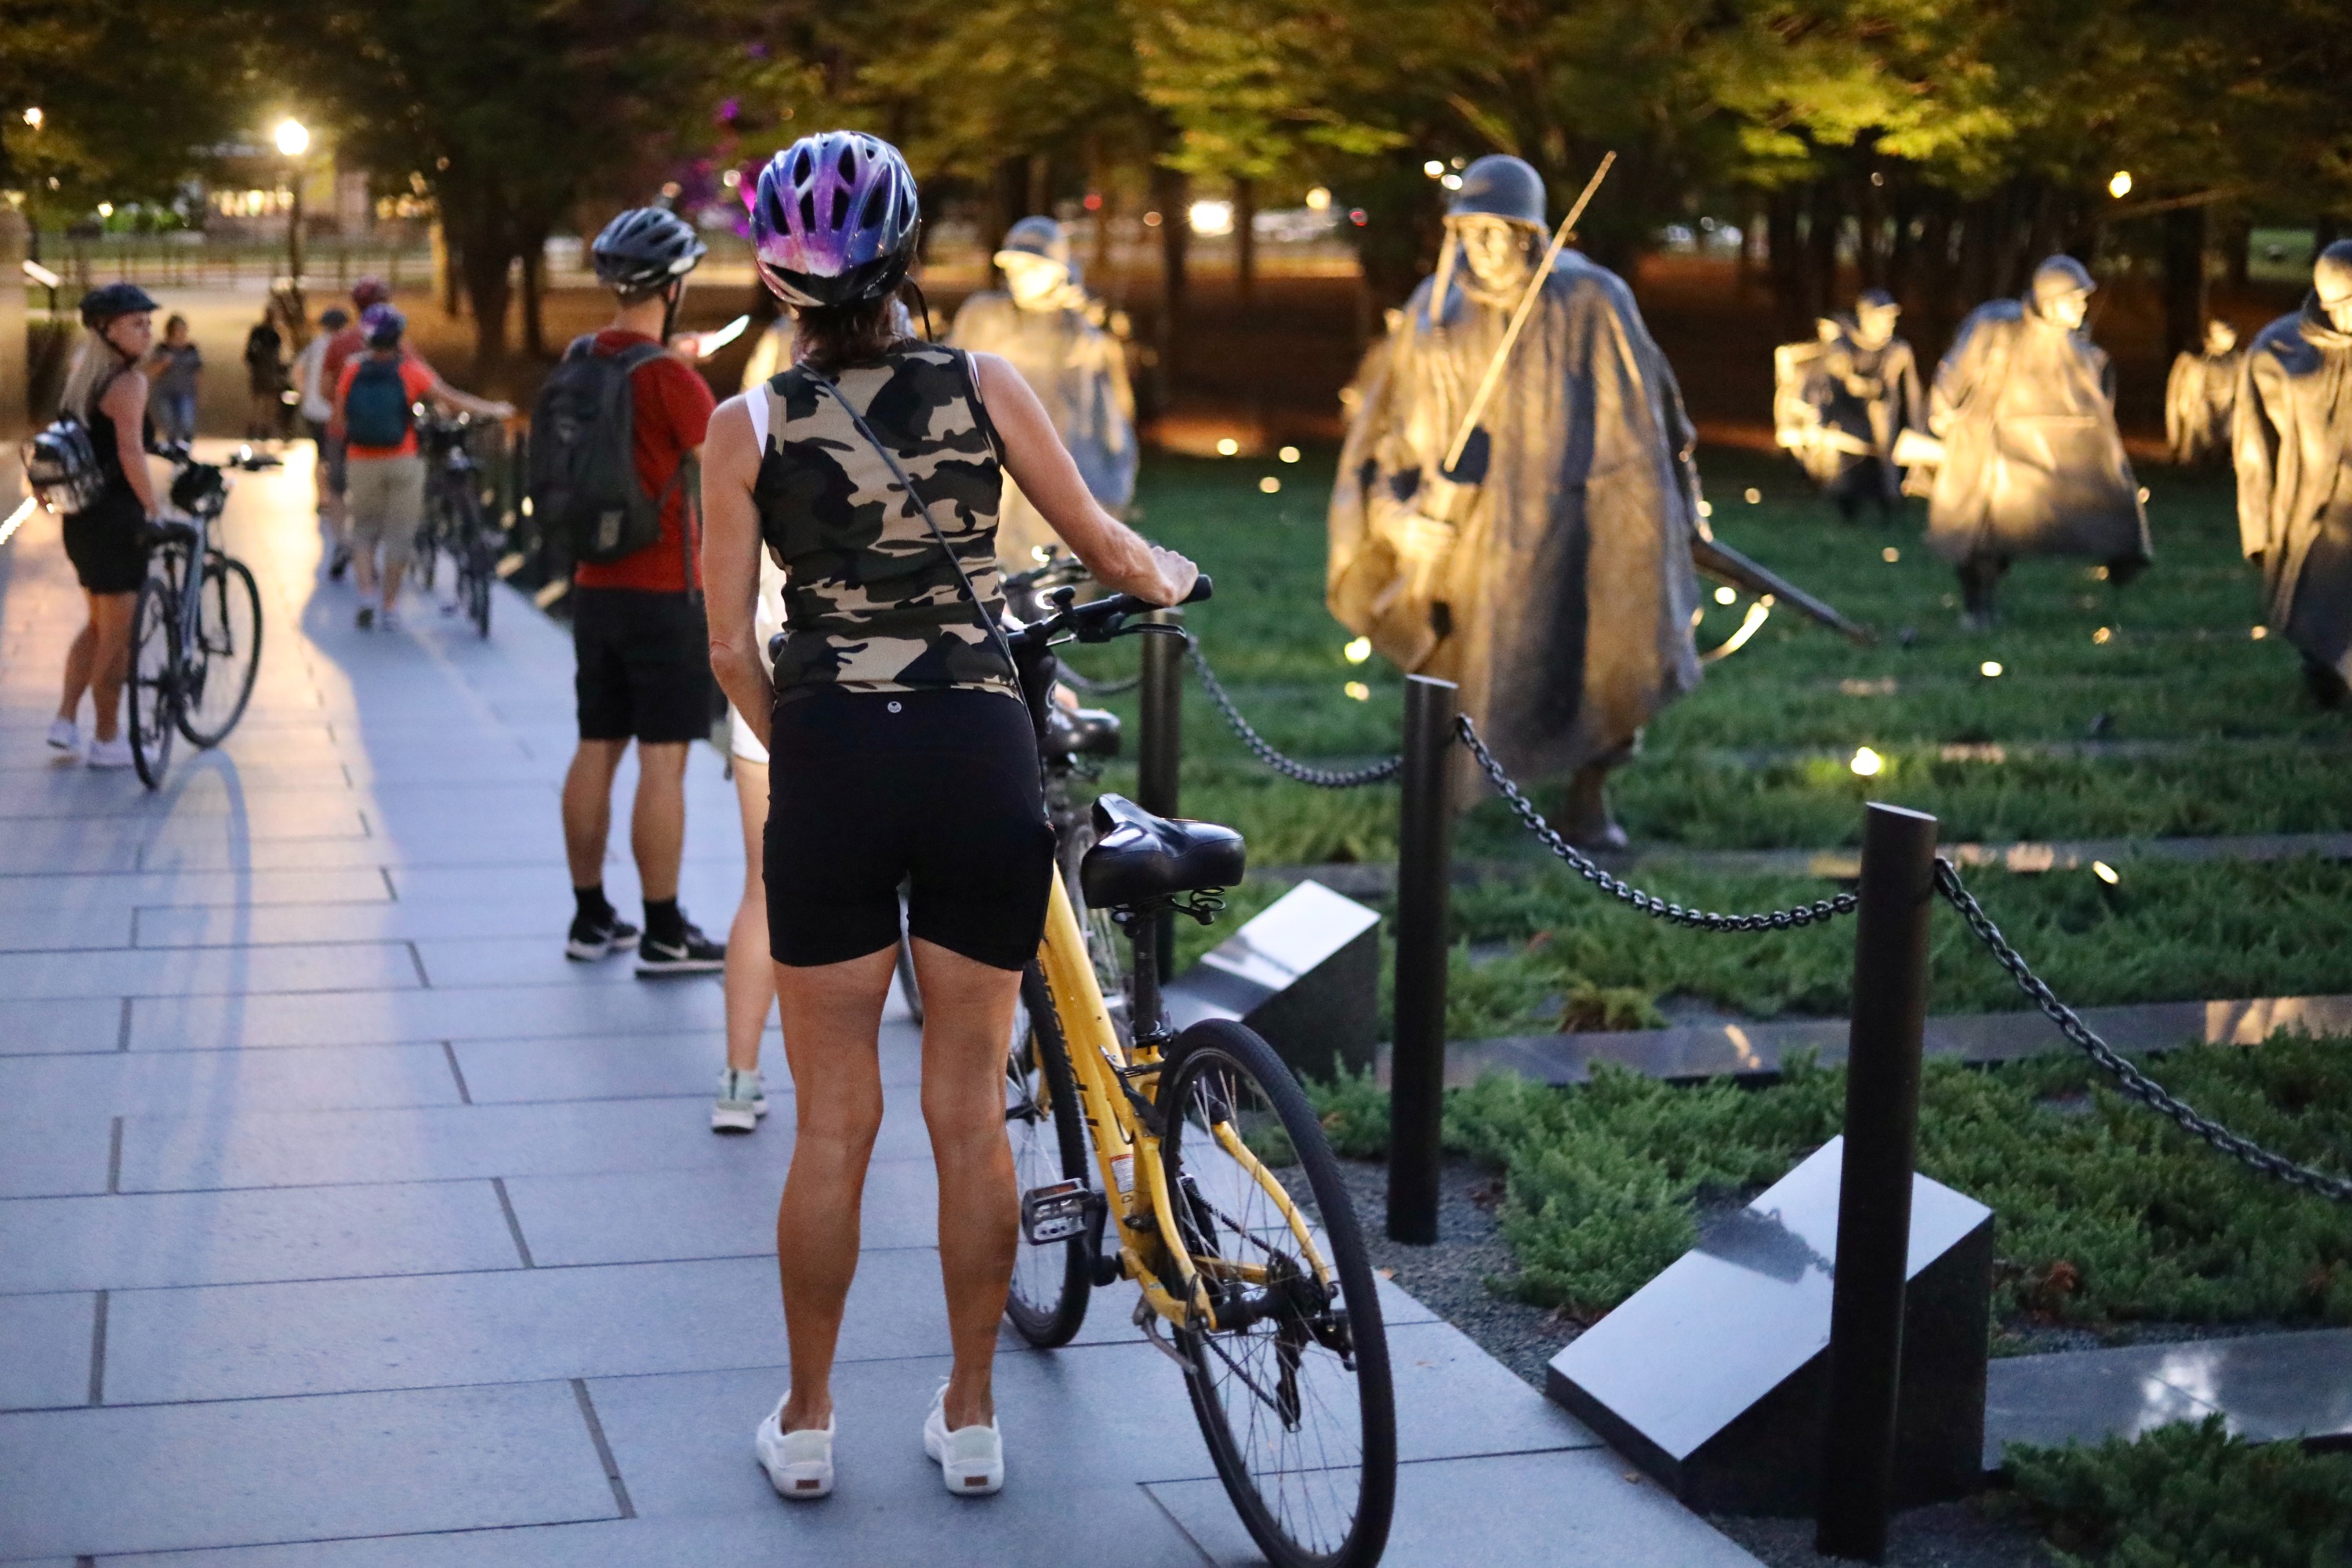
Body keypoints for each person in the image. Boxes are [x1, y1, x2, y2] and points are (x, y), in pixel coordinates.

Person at [701, 130, 1195, 1501]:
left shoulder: (744, 427)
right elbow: (1107, 548)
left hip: (832, 760)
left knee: (832, 1124)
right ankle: (972, 1421)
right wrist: (1164, 577)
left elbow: (731, 647)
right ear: (910, 257)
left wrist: (805, 751)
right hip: (977, 751)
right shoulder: (986, 383)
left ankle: (808, 1424)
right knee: (970, 1111)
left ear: (778, 282)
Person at [1328, 153, 1707, 848]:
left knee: (1601, 650)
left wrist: (1679, 513)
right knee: (1455, 668)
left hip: (1574, 527)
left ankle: (1589, 796)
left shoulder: (1593, 301)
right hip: (1466, 537)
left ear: (1531, 233)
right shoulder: (1434, 312)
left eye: (1500, 230)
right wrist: (1396, 518)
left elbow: (1652, 424)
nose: (1484, 246)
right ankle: (1444, 798)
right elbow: (1390, 438)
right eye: (1470, 230)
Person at [554, 206, 728, 977]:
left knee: (596, 745)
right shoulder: (671, 379)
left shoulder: (580, 357)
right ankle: (664, 932)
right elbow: (726, 465)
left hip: (593, 586)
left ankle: (589, 916)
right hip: (665, 591)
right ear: (674, 287)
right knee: (664, 762)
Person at [1923, 255, 2151, 629]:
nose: (2082, 306)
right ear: (2049, 300)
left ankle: (2122, 555)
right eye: (2074, 298)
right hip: (1991, 448)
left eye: (2083, 299)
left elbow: (2095, 398)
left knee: (2108, 495)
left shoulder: (2078, 348)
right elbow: (1955, 371)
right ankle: (1978, 606)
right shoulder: (1996, 329)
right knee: (1983, 536)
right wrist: (1942, 411)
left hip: (2050, 448)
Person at [947, 216, 1138, 567]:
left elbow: (1105, 421)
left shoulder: (1081, 336)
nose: (1019, 276)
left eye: (1032, 267)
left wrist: (1109, 484)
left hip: (1052, 476)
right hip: (988, 474)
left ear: (1058, 272)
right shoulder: (984, 317)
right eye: (1013, 267)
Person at [331, 305, 513, 631]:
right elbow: (451, 399)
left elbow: (340, 417)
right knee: (400, 534)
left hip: (361, 459)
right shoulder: (410, 371)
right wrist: (493, 408)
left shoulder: (352, 370)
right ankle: (389, 607)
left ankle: (366, 596)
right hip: (402, 459)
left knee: (364, 530)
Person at [49, 283, 163, 769]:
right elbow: (130, 453)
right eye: (137, 323)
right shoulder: (128, 384)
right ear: (107, 330)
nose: (147, 331)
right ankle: (107, 739)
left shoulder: (82, 378)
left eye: (148, 322)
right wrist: (154, 509)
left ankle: (64, 720)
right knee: (119, 639)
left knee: (98, 625)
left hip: (81, 520)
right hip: (117, 523)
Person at [2234, 241, 2352, 707]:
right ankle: (2323, 685)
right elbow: (2254, 449)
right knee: (2318, 610)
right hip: (2311, 517)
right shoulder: (2281, 350)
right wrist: (2258, 531)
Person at [1817, 290, 1926, 524]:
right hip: (1850, 419)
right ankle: (1848, 509)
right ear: (1866, 318)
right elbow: (1829, 388)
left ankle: (1890, 506)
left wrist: (1919, 428)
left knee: (1883, 429)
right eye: (1881, 317)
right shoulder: (1844, 347)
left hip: (1885, 421)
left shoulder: (1898, 350)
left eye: (1890, 318)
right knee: (1849, 472)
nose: (1888, 324)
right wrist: (1824, 421)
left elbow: (1912, 392)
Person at [318, 279, 391, 580]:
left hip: (342, 429)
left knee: (337, 489)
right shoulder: (395, 342)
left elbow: (325, 388)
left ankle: (341, 543)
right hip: (381, 434)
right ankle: (368, 555)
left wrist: (345, 407)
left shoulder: (340, 343)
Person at [293, 307, 349, 540]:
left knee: (320, 455)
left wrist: (305, 393)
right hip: (335, 411)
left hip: (314, 410)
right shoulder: (344, 347)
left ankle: (322, 497)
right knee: (337, 454)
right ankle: (337, 494)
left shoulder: (314, 346)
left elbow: (297, 370)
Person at [2167, 318, 2244, 466]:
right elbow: (2183, 392)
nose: (2231, 336)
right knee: (2198, 442)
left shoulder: (2236, 360)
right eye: (2226, 332)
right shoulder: (2195, 360)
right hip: (2200, 409)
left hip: (2226, 412)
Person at [146, 314, 201, 446]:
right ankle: (173, 448)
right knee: (170, 425)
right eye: (178, 329)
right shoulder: (162, 349)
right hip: (165, 394)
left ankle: (186, 448)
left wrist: (199, 391)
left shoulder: (191, 349)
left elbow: (198, 371)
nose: (182, 333)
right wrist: (163, 363)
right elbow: (151, 371)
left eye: (183, 329)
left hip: (186, 393)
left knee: (186, 423)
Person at [242, 304, 287, 442]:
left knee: (260, 399)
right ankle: (263, 427)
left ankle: (257, 426)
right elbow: (278, 354)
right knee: (267, 400)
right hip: (268, 370)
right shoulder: (274, 333)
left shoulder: (259, 331)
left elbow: (249, 352)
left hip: (260, 369)